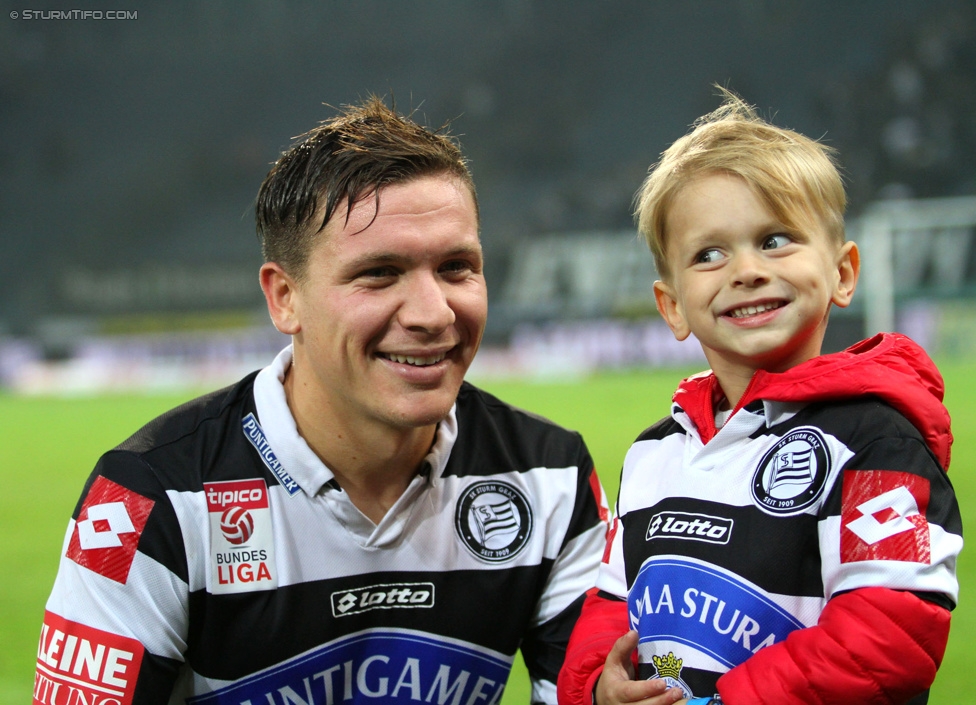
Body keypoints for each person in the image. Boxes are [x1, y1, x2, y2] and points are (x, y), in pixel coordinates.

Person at [34, 96, 609, 705]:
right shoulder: (151, 497)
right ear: (285, 297)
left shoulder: (550, 475)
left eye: (456, 267)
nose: (433, 313)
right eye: (379, 273)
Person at [557, 90, 962, 705]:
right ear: (673, 307)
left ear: (843, 274)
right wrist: (595, 690)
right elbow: (613, 607)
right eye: (709, 254)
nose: (745, 269)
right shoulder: (653, 455)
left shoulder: (879, 444)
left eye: (775, 240)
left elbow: (889, 636)